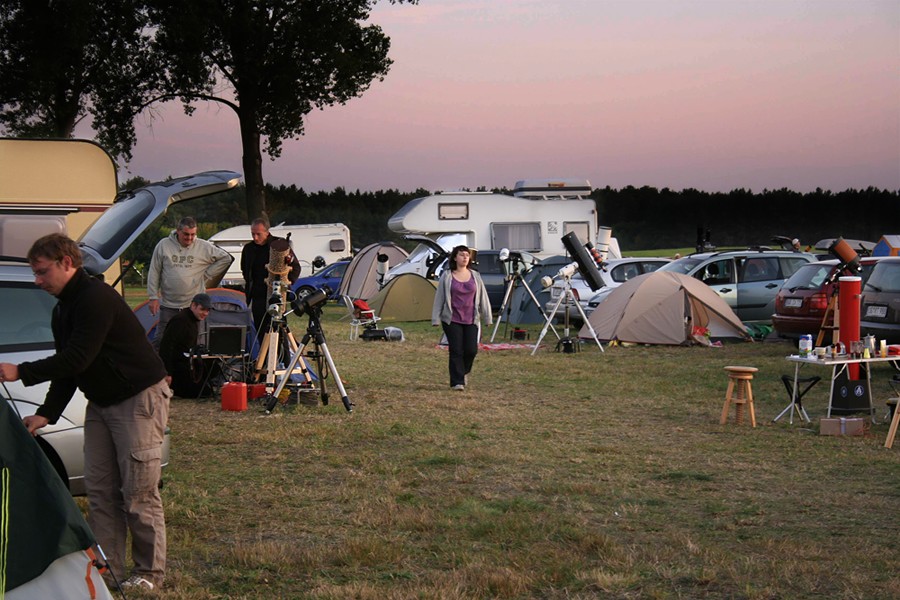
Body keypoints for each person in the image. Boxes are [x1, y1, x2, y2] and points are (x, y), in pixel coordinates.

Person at [0, 234, 171, 591]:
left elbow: (78, 357)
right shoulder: (64, 307)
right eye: (34, 274)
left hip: (137, 399)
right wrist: (46, 413)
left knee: (138, 492)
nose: (37, 281)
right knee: (100, 489)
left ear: (66, 262)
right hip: (102, 401)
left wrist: (22, 371)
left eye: (42, 272)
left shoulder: (95, 298)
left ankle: (149, 574)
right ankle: (108, 568)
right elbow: (71, 369)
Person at [147, 216, 232, 348]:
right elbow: (154, 271)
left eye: (193, 235)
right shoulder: (164, 245)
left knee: (192, 340)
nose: (190, 238)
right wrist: (153, 297)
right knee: (161, 340)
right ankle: (158, 367)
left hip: (192, 306)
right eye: (186, 234)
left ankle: (190, 367)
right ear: (178, 231)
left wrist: (208, 274)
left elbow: (225, 258)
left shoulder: (203, 246)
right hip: (169, 304)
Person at [431, 245, 493, 391]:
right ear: (455, 258)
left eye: (467, 255)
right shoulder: (447, 276)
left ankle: (464, 371)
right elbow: (439, 298)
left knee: (471, 350)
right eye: (461, 255)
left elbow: (483, 297)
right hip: (452, 319)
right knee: (456, 350)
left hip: (471, 319)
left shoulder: (475, 276)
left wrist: (488, 317)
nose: (465, 257)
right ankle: (457, 382)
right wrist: (435, 318)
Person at [241, 218, 301, 339]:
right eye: (253, 234)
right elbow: (245, 270)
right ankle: (263, 356)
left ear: (267, 232)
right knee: (261, 332)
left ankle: (282, 357)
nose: (255, 237)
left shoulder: (278, 245)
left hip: (276, 295)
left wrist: (286, 285)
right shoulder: (248, 249)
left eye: (258, 234)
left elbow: (295, 268)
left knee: (279, 333)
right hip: (257, 297)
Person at [159, 292, 213, 398]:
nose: (205, 313)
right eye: (202, 309)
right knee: (203, 392)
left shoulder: (193, 320)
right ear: (193, 305)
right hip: (177, 368)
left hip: (188, 363)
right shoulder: (180, 320)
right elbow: (166, 347)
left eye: (207, 310)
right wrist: (168, 373)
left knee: (213, 366)